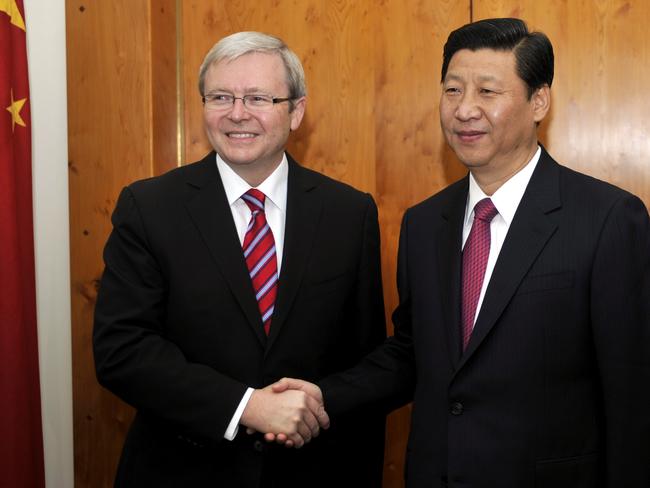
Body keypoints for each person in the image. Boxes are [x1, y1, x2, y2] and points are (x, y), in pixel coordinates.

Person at [273, 18, 650, 487]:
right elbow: (414, 352)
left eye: (487, 92)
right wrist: (323, 396)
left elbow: (633, 395)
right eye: (452, 90)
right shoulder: (424, 223)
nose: (464, 109)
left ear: (539, 101)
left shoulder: (608, 218)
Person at [93, 31, 388, 487]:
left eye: (257, 98)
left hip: (313, 473)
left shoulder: (350, 214)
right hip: (182, 470)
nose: (237, 113)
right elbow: (121, 350)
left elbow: (366, 365)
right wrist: (245, 405)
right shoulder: (149, 208)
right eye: (221, 97)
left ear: (296, 112)